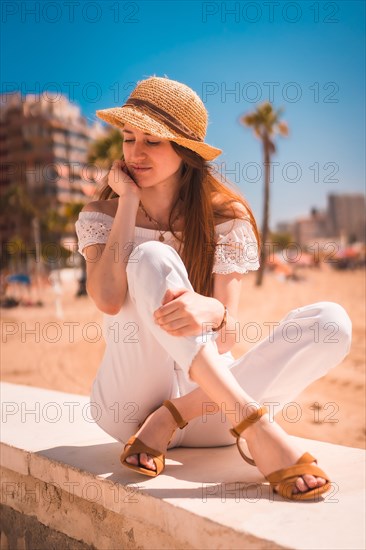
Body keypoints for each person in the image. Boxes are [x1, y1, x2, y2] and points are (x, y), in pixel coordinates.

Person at [75, 76, 352, 501]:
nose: (135, 152)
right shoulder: (103, 215)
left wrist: (216, 312)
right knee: (151, 258)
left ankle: (172, 418)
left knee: (332, 323)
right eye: (129, 138)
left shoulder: (226, 218)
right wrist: (127, 201)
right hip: (127, 410)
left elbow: (227, 336)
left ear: (185, 151)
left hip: (209, 412)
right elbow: (109, 300)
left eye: (153, 141)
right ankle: (256, 428)